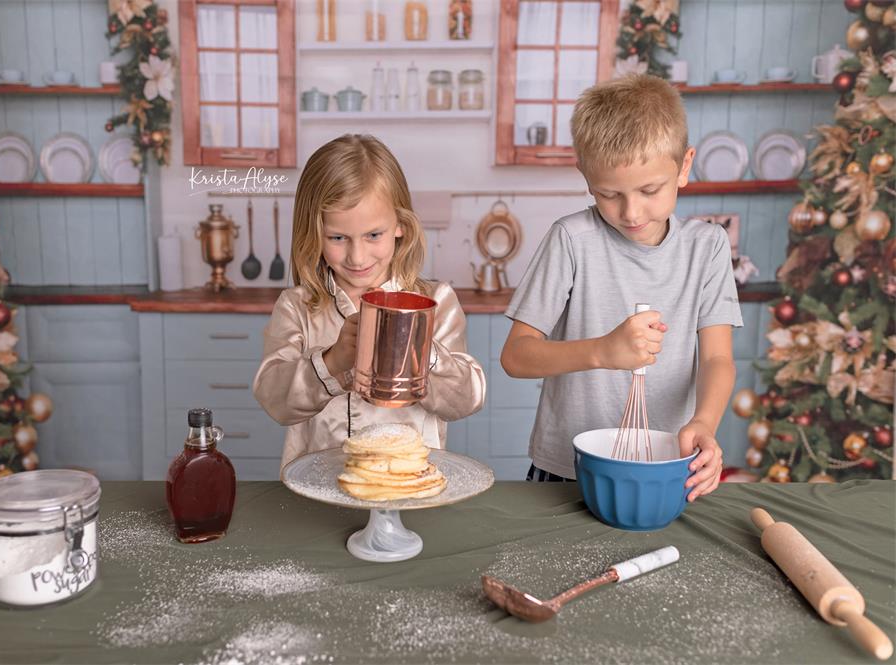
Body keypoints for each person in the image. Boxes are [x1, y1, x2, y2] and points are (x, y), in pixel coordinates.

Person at [500, 74, 742, 501]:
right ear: (584, 174)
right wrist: (602, 351)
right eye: (608, 194)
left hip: (665, 464)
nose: (630, 212)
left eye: (650, 190)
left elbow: (718, 359)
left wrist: (703, 422)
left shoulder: (707, 247)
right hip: (565, 469)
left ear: (684, 166)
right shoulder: (572, 240)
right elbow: (516, 356)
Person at [254, 134, 486, 468]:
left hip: (407, 491)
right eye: (337, 238)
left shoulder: (436, 302)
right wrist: (333, 362)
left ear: (400, 227)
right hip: (317, 491)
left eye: (373, 235)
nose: (357, 256)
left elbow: (467, 399)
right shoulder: (297, 306)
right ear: (313, 234)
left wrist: (417, 346)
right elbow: (274, 400)